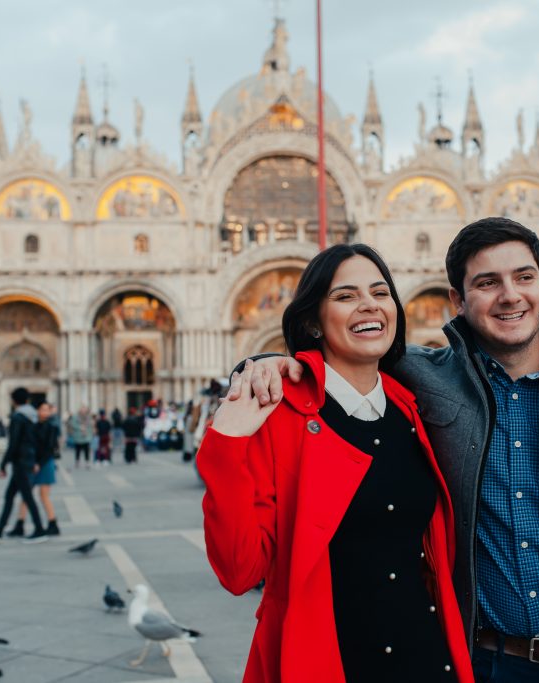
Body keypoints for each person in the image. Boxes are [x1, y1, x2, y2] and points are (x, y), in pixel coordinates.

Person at [242, 219, 539, 683]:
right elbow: (339, 358)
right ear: (457, 300)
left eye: (524, 277)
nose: (510, 295)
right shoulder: (417, 377)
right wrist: (266, 365)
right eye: (487, 283)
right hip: (468, 662)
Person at [198, 244, 474, 683]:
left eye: (381, 292)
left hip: (425, 658)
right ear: (311, 320)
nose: (369, 304)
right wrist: (227, 443)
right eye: (345, 296)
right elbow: (239, 570)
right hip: (329, 662)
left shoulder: (411, 409)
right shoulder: (278, 411)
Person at [0, 388, 47, 544]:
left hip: (20, 462)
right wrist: (35, 460)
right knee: (10, 496)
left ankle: (39, 529)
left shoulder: (18, 418)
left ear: (14, 401)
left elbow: (13, 443)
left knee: (27, 497)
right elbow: (36, 441)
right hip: (27, 459)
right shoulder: (33, 416)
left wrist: (3, 465)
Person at [7, 401, 61, 538]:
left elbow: (50, 449)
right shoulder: (33, 426)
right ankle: (20, 524)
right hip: (32, 464)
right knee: (27, 495)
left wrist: (38, 464)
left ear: (50, 412)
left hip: (45, 463)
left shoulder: (52, 427)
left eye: (47, 410)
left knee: (44, 496)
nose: (44, 412)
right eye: (41, 409)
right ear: (37, 411)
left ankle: (52, 523)